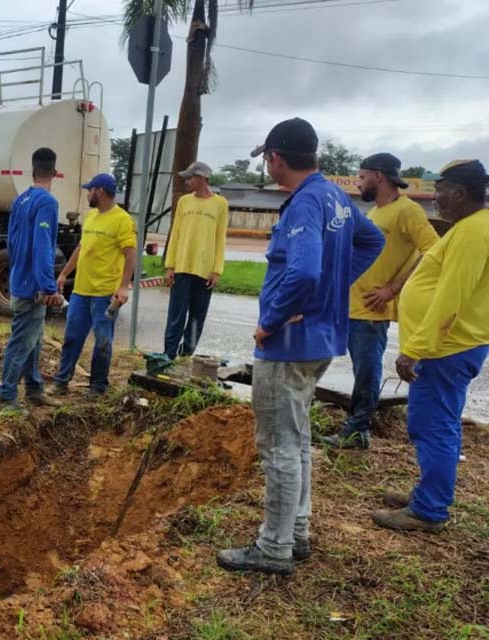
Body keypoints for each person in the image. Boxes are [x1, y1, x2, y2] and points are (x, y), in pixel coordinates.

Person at [216, 118, 385, 576]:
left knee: (279, 447)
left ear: (275, 158)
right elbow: (373, 240)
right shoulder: (335, 195)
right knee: (299, 438)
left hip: (289, 343)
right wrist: (335, 286)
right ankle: (297, 533)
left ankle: (273, 549)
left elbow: (306, 271)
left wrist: (271, 321)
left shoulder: (305, 203)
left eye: (266, 158)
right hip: (320, 339)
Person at [372, 160, 489, 533]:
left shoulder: (472, 233)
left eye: (440, 190)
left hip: (445, 349)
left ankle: (429, 510)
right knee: (443, 424)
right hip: (454, 345)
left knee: (431, 426)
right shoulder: (470, 228)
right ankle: (429, 492)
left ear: (460, 193)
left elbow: (450, 297)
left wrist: (417, 347)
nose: (435, 197)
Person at [321, 153, 439, 450]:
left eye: (361, 177)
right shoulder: (375, 213)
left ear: (378, 176)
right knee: (358, 369)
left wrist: (393, 288)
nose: (358, 183)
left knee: (367, 371)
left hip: (373, 310)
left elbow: (433, 249)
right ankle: (354, 423)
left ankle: (358, 430)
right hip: (351, 305)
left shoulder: (407, 211)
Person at [50, 173, 136, 397]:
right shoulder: (91, 218)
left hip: (104, 294)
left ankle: (98, 386)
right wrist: (64, 274)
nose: (87, 193)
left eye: (89, 190)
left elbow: (130, 255)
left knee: (102, 341)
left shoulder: (122, 219)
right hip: (81, 290)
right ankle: (61, 381)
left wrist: (123, 287)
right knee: (72, 338)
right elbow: (81, 248)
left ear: (99, 191)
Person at [0, 148, 64, 413]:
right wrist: (48, 286)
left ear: (32, 171)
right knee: (22, 341)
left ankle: (34, 389)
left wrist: (18, 271)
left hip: (20, 279)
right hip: (32, 287)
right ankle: (6, 397)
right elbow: (42, 246)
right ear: (54, 173)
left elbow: (11, 243)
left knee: (34, 339)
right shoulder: (47, 202)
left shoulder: (21, 200)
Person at [162, 161, 229, 359]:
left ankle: (185, 355)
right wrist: (170, 265)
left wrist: (217, 269)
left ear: (202, 178)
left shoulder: (220, 204)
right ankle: (168, 355)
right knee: (176, 315)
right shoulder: (184, 202)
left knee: (196, 318)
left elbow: (220, 238)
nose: (187, 182)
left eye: (190, 178)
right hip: (182, 266)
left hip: (205, 270)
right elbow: (176, 233)